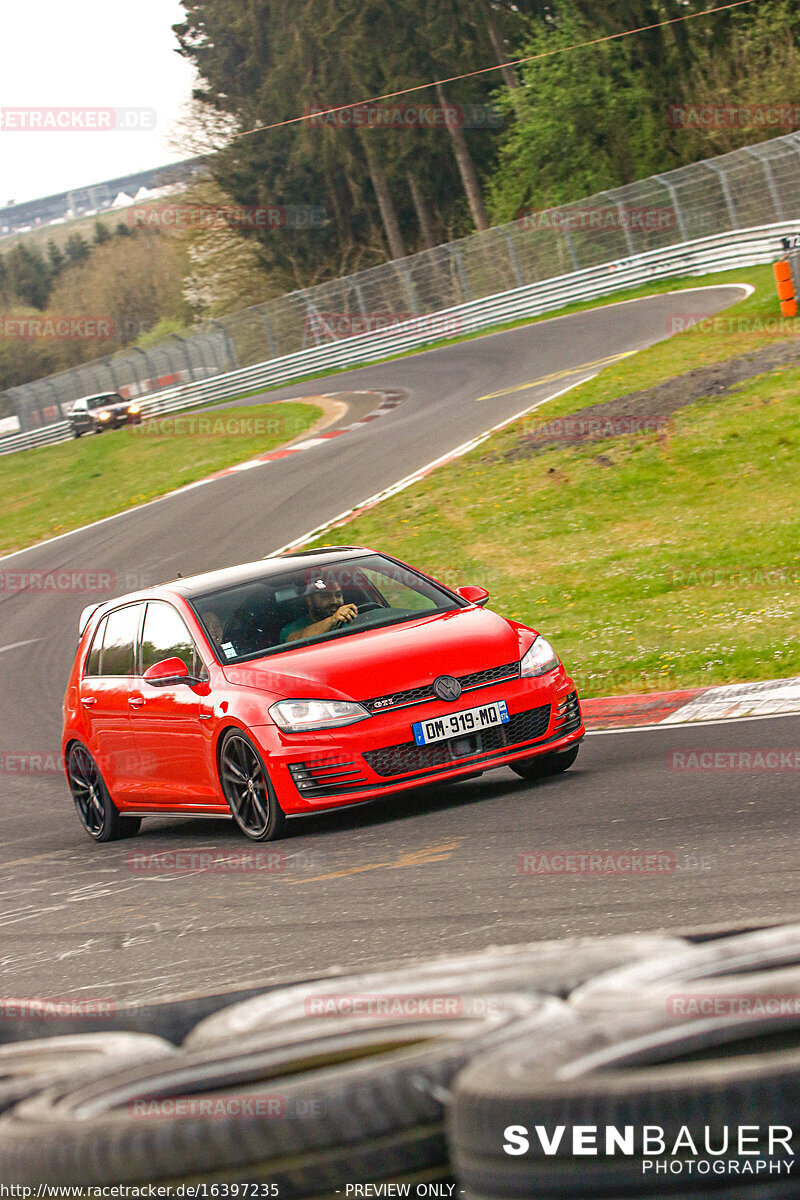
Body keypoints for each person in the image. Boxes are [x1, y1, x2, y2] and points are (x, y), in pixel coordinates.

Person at [280, 574, 358, 643]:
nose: (334, 601)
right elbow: (296, 640)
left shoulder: (353, 618)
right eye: (326, 596)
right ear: (309, 601)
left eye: (338, 595)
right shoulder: (290, 629)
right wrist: (332, 619)